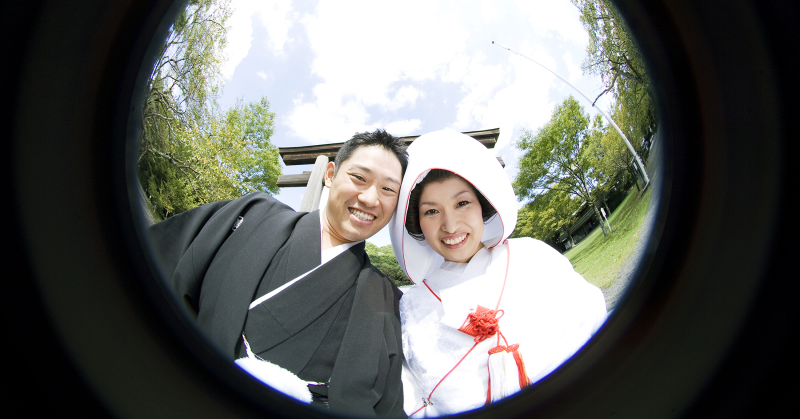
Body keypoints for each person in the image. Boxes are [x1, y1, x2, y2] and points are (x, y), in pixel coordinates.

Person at [148, 129, 408, 416]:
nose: (370, 199)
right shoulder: (250, 216)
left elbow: (386, 405)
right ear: (330, 175)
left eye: (388, 190)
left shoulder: (385, 300)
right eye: (359, 177)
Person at [389, 129, 607, 417]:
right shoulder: (412, 306)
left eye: (462, 203)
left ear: (482, 205)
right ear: (417, 222)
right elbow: (415, 397)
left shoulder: (533, 255)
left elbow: (593, 320)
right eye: (431, 211)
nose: (451, 225)